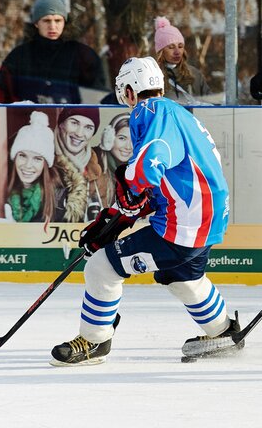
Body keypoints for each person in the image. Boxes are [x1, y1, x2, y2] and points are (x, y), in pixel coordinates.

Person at [50, 56, 236, 366]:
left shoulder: (150, 111)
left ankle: (95, 342)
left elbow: (151, 164)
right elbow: (173, 176)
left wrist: (128, 193)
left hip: (184, 224)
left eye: (124, 91)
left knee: (101, 268)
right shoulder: (178, 113)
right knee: (182, 277)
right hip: (208, 218)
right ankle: (224, 332)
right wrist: (122, 213)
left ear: (131, 91)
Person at [0, 0, 106, 104]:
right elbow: (1, 94)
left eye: (57, 20)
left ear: (64, 22)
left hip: (72, 119)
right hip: (28, 119)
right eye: (46, 21)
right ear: (36, 23)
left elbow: (97, 95)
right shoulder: (19, 56)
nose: (52, 26)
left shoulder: (83, 55)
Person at [4, 111, 60, 223]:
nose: (28, 165)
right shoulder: (2, 190)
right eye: (23, 156)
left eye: (37, 159)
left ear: (45, 164)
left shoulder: (58, 198)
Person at [53, 107, 105, 221]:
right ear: (61, 124)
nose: (79, 133)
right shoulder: (42, 161)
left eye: (88, 127)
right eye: (74, 123)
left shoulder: (97, 169)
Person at [153, 16, 212, 104]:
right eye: (171, 47)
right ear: (161, 51)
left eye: (180, 46)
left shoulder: (195, 74)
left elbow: (211, 104)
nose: (177, 52)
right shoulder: (153, 77)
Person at [94, 113, 133, 209]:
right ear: (109, 138)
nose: (128, 147)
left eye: (134, 140)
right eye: (122, 138)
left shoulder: (140, 170)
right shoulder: (92, 165)